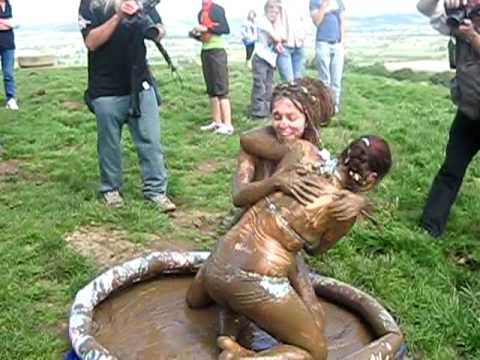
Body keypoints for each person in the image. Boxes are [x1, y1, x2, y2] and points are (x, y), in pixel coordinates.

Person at [186, 135, 392, 360]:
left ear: (346, 152)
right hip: (254, 278)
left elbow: (247, 140)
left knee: (196, 301)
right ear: (371, 178)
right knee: (314, 351)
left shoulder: (302, 151)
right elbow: (314, 249)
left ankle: (229, 316)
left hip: (218, 260)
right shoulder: (343, 208)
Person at [78, 0, 175, 212]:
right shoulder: (90, 4)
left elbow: (158, 30)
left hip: (140, 84)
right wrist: (119, 16)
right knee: (109, 144)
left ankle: (156, 192)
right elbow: (92, 41)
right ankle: (111, 190)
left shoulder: (140, 1)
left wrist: (150, 24)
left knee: (151, 141)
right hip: (105, 88)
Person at [418, 0, 480, 237]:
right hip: (469, 111)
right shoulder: (463, 14)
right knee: (450, 171)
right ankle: (428, 230)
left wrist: (472, 36)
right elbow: (424, 8)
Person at [193, 0, 233, 136]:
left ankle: (228, 124)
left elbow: (225, 29)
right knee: (211, 89)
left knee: (221, 88)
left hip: (217, 51)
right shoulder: (200, 12)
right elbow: (204, 37)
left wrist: (207, 28)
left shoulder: (217, 9)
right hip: (205, 50)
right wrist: (194, 35)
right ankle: (217, 122)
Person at [249, 0, 285, 119]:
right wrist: (277, 22)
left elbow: (283, 37)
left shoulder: (274, 23)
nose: (274, 14)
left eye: (277, 12)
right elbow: (276, 36)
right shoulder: (262, 21)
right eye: (272, 11)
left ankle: (267, 108)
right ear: (266, 10)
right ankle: (258, 110)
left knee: (268, 85)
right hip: (260, 57)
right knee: (260, 84)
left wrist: (277, 21)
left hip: (270, 58)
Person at [309, 0, 346, 114]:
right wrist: (324, 6)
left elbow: (342, 22)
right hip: (322, 43)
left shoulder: (338, 2)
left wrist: (342, 42)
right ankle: (325, 107)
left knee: (336, 79)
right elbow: (317, 22)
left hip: (337, 44)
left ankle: (334, 108)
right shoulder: (315, 2)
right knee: (324, 79)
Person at [276, 0, 307, 81]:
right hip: (284, 46)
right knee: (288, 82)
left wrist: (304, 33)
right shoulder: (278, 2)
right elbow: (271, 17)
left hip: (299, 45)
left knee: (298, 81)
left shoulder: (300, 3)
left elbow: (304, 20)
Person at [0, 0, 18, 110]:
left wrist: (5, 23)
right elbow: (10, 24)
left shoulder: (8, 5)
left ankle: (10, 99)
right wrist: (8, 23)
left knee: (8, 73)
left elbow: (14, 24)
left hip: (8, 44)